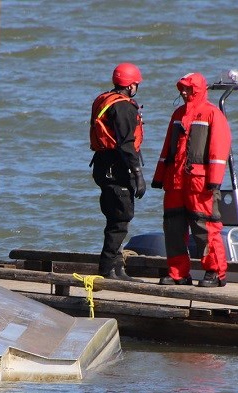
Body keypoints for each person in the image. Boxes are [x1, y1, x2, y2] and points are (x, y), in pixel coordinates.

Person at [151, 72, 230, 287]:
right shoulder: (178, 114)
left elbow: (219, 149)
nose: (184, 93)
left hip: (200, 184)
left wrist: (214, 181)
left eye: (188, 89)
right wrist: (159, 177)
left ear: (198, 90)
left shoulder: (212, 114)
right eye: (182, 89)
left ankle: (215, 272)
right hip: (175, 182)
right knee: (173, 229)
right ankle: (178, 273)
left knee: (205, 229)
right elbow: (167, 148)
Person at [89, 62, 147, 282]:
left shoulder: (104, 99)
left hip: (104, 166)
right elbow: (126, 144)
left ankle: (116, 267)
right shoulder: (123, 107)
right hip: (117, 169)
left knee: (116, 217)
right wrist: (138, 174)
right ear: (131, 86)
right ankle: (106, 269)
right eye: (136, 84)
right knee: (120, 219)